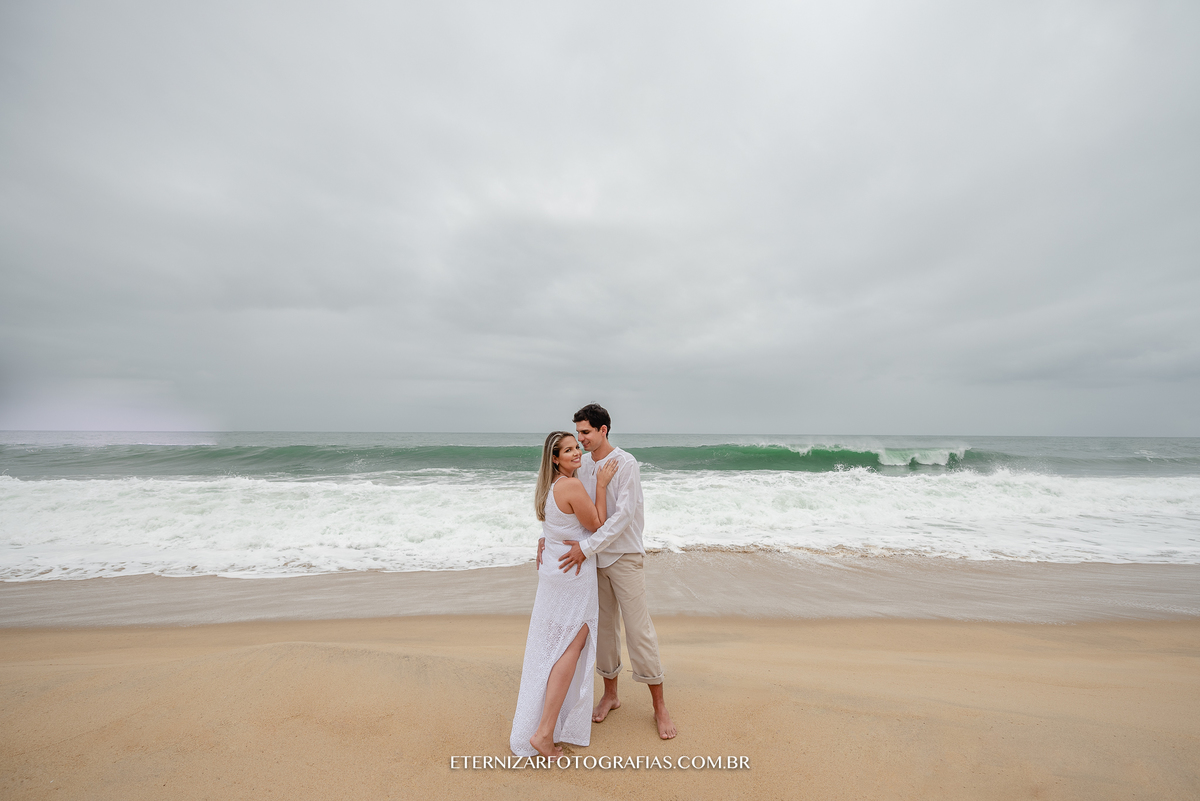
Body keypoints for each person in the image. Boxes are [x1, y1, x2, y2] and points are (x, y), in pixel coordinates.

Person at [540, 404, 678, 740]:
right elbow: (572, 510)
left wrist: (585, 548)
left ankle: (660, 707)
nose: (581, 440)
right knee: (603, 632)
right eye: (578, 434)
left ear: (603, 430)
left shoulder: (625, 463)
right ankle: (611, 695)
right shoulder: (581, 464)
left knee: (638, 630)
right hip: (592, 564)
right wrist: (548, 539)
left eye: (586, 432)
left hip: (623, 556)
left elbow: (623, 516)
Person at [510, 431, 617, 758]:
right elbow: (598, 524)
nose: (576, 453)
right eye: (568, 450)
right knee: (572, 645)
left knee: (556, 646)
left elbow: (553, 530)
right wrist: (600, 484)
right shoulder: (571, 486)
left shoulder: (548, 487)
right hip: (573, 574)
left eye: (576, 448)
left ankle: (544, 727)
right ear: (554, 458)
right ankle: (543, 734)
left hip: (554, 572)